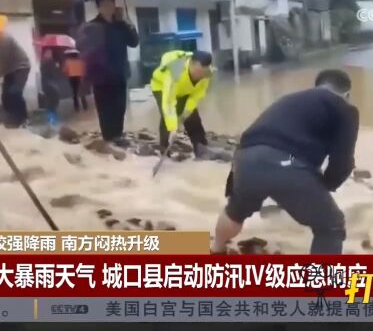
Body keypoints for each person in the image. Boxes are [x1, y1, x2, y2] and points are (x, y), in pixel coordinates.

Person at [212, 70, 359, 255]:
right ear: (347, 94)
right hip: (286, 163)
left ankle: (216, 249)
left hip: (245, 158)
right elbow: (342, 163)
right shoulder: (345, 108)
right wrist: (325, 186)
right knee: (331, 226)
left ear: (318, 87)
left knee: (235, 211)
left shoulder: (291, 99)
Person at [86, 0, 139, 147]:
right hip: (101, 75)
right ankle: (108, 138)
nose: (108, 7)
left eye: (111, 4)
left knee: (120, 106)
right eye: (104, 4)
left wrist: (130, 25)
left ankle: (117, 135)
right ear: (98, 7)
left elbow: (134, 43)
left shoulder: (121, 25)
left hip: (120, 72)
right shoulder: (92, 26)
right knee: (104, 107)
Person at [150, 50, 216, 158]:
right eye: (198, 72)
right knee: (168, 116)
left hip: (185, 89)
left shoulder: (207, 73)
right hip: (161, 86)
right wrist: (173, 128)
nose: (200, 76)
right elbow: (169, 103)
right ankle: (165, 148)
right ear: (191, 64)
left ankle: (200, 146)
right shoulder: (175, 71)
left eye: (203, 72)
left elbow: (197, 95)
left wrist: (186, 113)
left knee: (193, 116)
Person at [0, 31, 31, 128]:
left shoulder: (2, 41)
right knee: (5, 97)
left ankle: (23, 119)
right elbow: (1, 65)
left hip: (21, 67)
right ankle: (12, 119)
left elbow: (3, 65)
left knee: (14, 92)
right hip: (9, 70)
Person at [39, 47, 62, 126]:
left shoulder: (43, 62)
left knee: (51, 104)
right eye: (49, 53)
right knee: (53, 103)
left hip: (47, 85)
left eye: (50, 53)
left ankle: (52, 121)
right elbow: (54, 74)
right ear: (46, 54)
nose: (50, 54)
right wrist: (56, 66)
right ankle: (52, 122)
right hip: (50, 86)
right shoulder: (49, 62)